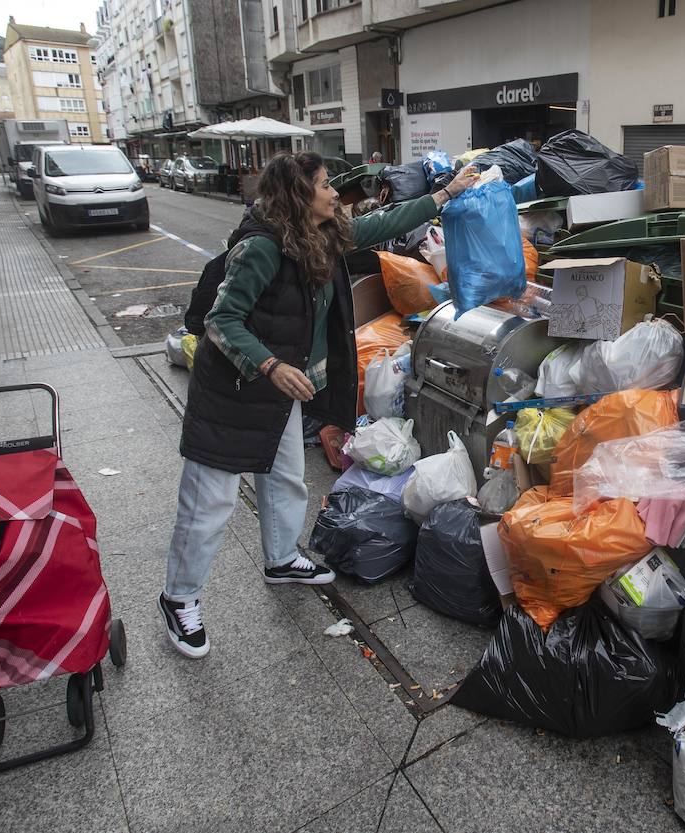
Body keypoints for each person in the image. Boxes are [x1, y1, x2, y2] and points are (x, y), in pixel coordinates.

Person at [160, 150, 478, 658]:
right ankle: (179, 598)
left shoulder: (320, 235)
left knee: (285, 476)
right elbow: (222, 321)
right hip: (234, 388)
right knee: (210, 501)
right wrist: (270, 366)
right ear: (299, 195)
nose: (335, 193)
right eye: (326, 185)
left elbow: (382, 222)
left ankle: (281, 558)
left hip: (281, 388)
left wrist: (444, 195)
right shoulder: (261, 248)